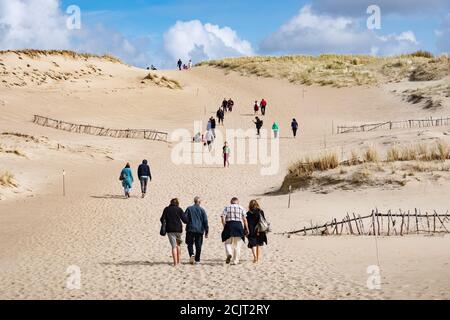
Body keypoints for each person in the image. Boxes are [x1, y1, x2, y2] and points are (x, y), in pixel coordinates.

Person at [221, 197, 249, 265]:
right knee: (237, 245)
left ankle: (229, 253)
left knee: (227, 243)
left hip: (229, 225)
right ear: (237, 202)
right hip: (238, 226)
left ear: (231, 202)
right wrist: (246, 228)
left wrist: (224, 224)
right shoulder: (241, 207)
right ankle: (235, 261)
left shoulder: (227, 207)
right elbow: (244, 219)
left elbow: (222, 216)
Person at [161, 198, 187, 267]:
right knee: (178, 245)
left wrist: (166, 222)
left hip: (170, 229)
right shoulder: (179, 209)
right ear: (177, 203)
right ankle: (179, 261)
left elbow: (162, 219)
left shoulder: (166, 209)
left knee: (173, 246)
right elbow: (185, 220)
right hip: (178, 229)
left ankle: (175, 263)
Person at [184, 197, 209, 265]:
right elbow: (205, 221)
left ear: (194, 201)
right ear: (199, 202)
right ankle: (197, 259)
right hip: (199, 230)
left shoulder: (189, 208)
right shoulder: (202, 210)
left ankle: (191, 254)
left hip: (190, 229)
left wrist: (188, 221)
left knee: (189, 243)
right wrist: (206, 231)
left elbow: (185, 218)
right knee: (198, 245)